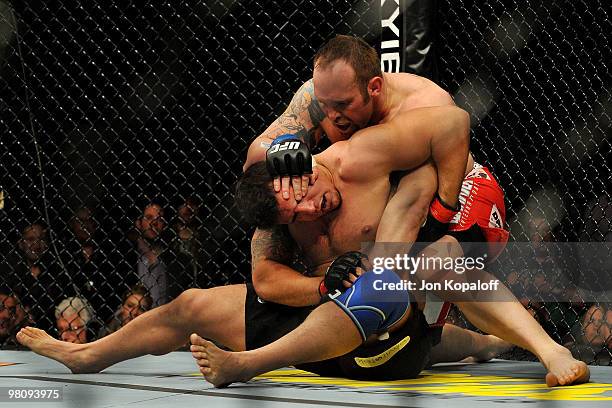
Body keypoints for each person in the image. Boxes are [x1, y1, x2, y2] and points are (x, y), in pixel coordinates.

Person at [15, 106, 504, 379]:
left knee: (388, 300)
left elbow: (447, 123)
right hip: (320, 314)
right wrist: (319, 285)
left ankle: (484, 343)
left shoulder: (367, 160)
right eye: (294, 215)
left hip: (383, 325)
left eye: (304, 196)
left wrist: (441, 217)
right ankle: (89, 355)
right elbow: (266, 281)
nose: (310, 210)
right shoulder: (273, 213)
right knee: (191, 305)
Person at [231, 35, 587, 387]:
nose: (333, 116)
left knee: (435, 268)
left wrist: (437, 217)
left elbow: (424, 179)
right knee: (400, 311)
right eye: (326, 105)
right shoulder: (320, 94)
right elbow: (255, 160)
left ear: (373, 87)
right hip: (398, 199)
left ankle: (552, 351)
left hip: (456, 189)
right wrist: (281, 144)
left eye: (343, 104)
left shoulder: (424, 102)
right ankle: (489, 344)